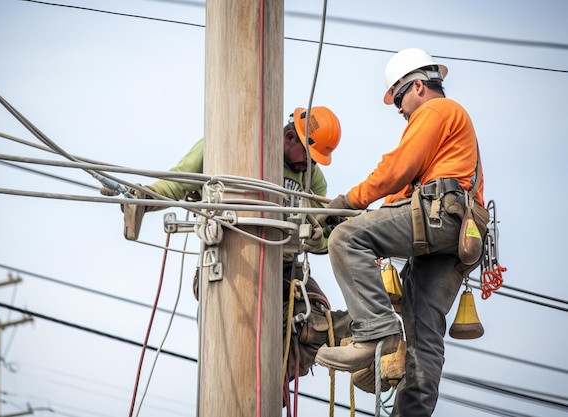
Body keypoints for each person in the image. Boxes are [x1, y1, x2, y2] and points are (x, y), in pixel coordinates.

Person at [114, 106, 352, 385]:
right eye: (308, 156)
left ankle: (273, 388)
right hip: (229, 261)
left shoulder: (312, 176)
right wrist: (144, 198)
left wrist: (317, 239)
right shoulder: (224, 144)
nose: (310, 165)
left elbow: (317, 226)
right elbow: (179, 181)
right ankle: (252, 385)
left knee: (317, 325)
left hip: (286, 270)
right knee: (244, 333)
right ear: (289, 138)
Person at [314, 48, 489, 416]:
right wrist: (377, 218)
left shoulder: (436, 111)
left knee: (347, 239)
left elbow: (396, 170)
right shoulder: (452, 132)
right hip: (458, 235)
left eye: (398, 96)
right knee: (424, 341)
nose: (398, 108)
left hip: (441, 216)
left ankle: (375, 331)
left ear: (420, 87)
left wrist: (348, 203)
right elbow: (404, 190)